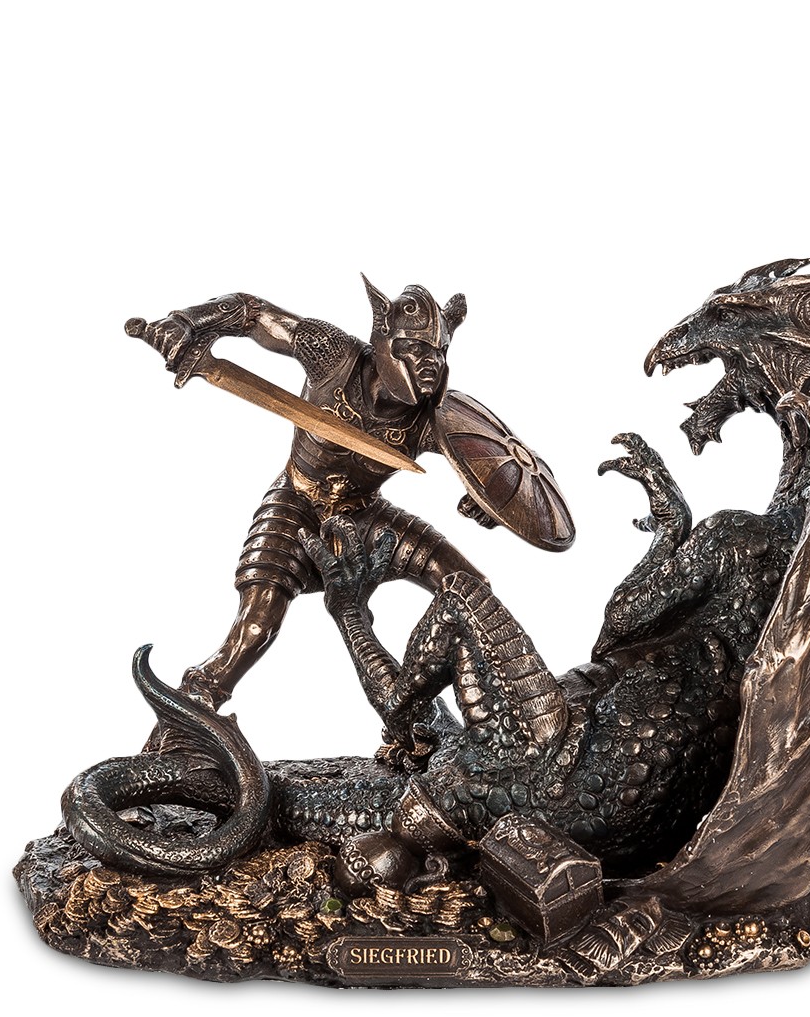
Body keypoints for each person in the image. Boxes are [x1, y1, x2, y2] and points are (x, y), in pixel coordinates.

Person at [135, 276, 573, 720]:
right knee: (257, 623)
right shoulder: (333, 357)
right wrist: (187, 322)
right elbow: (253, 313)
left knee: (469, 588)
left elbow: (489, 469)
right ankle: (196, 704)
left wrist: (488, 505)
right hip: (297, 502)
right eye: (416, 349)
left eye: (438, 353)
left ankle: (450, 710)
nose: (430, 363)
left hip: (365, 516)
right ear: (383, 338)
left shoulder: (431, 419)